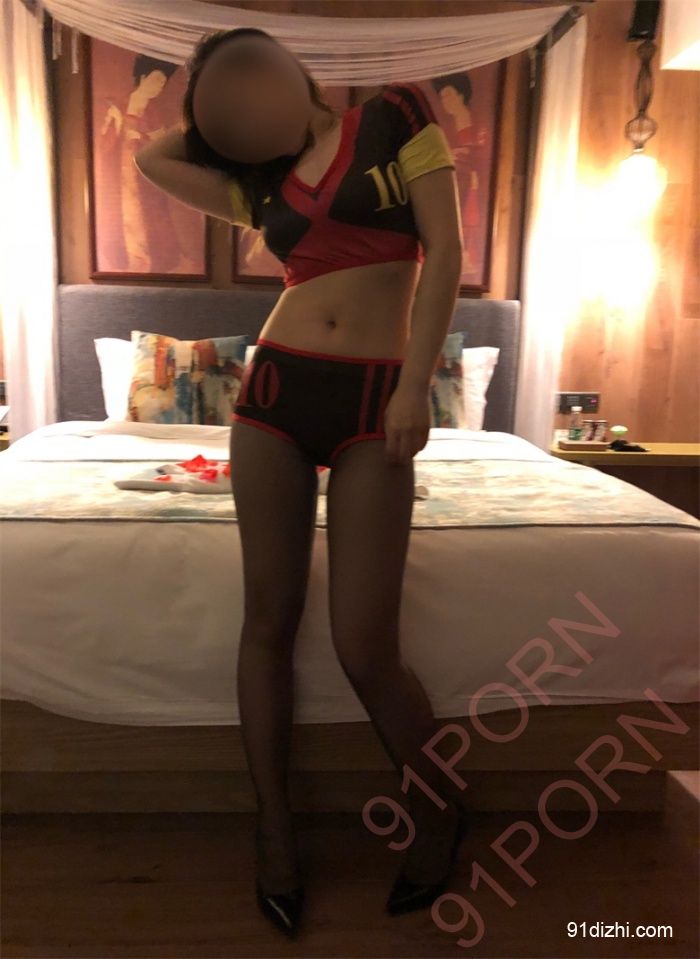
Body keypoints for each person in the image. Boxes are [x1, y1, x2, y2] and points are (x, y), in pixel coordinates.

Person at [134, 26, 469, 939]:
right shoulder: (258, 186)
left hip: (376, 400)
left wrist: (414, 384)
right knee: (267, 621)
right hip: (274, 395)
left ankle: (438, 804)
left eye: (253, 75)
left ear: (293, 67)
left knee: (365, 644)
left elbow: (445, 251)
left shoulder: (395, 115)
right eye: (224, 105)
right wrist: (221, 115)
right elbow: (153, 157)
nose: (245, 102)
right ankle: (274, 827)